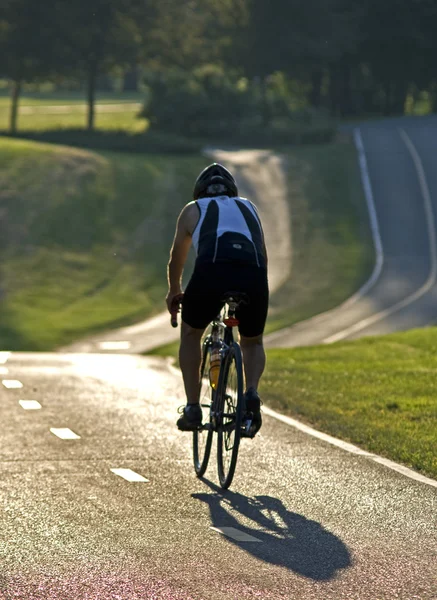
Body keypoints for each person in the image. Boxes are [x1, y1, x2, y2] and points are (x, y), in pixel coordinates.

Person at [166, 163, 269, 436]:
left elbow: (178, 257)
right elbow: (263, 252)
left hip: (212, 271)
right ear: (232, 192)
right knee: (253, 341)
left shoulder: (192, 209)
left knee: (190, 334)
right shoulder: (249, 208)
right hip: (254, 273)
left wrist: (174, 290)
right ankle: (252, 395)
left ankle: (191, 407)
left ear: (199, 192)